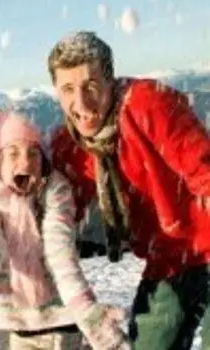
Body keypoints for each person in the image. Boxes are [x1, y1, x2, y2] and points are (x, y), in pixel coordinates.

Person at [49, 30, 210, 349]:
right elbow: (58, 216)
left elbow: (204, 170)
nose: (80, 103)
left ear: (110, 80)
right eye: (68, 89)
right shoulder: (69, 146)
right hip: (167, 261)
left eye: (90, 85)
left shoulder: (148, 104)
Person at [0, 110, 130, 349]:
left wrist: (85, 308)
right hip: (16, 333)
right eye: (13, 153)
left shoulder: (55, 191)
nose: (25, 162)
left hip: (65, 324)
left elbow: (60, 253)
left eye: (33, 153)